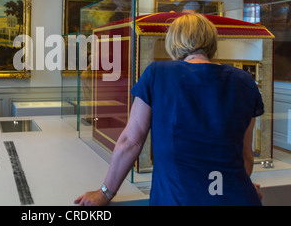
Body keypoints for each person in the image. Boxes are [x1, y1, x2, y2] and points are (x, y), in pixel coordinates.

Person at [75, 13, 264, 206]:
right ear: (211, 41)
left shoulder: (158, 73)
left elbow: (130, 142)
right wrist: (241, 184)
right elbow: (244, 155)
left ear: (174, 41)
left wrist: (104, 193)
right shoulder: (244, 81)